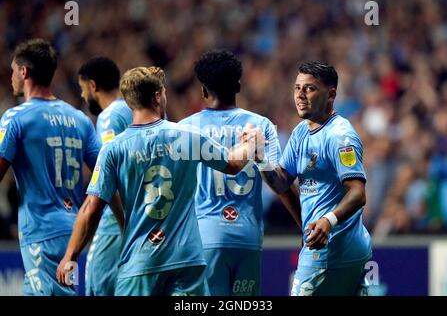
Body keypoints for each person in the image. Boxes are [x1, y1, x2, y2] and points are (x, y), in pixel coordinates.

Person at [56, 66, 264, 296]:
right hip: (187, 262)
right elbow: (233, 164)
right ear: (157, 96)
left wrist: (70, 255)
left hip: (141, 262)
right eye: (163, 92)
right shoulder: (187, 136)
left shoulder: (114, 149)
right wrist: (250, 143)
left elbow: (91, 208)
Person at [180, 49, 290, 296]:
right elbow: (280, 185)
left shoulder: (185, 129)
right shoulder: (262, 126)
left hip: (204, 240)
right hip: (247, 238)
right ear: (239, 86)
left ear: (204, 91)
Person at [258, 61, 372, 296]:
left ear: (331, 95)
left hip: (329, 249)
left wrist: (327, 221)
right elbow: (281, 183)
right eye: (297, 88)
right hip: (337, 247)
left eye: (309, 89)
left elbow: (358, 194)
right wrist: (260, 158)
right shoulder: (301, 132)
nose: (300, 95)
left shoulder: (341, 137)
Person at [0, 39, 101, 295]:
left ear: (24, 72)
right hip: (73, 230)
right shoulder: (80, 120)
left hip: (41, 233)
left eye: (13, 70)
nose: (11, 76)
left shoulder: (16, 117)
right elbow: (106, 172)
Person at [78, 57, 132, 296]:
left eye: (82, 89)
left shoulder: (109, 118)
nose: (82, 96)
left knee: (98, 286)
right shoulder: (135, 109)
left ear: (92, 85)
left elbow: (111, 175)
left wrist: (124, 224)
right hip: (146, 214)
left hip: (117, 220)